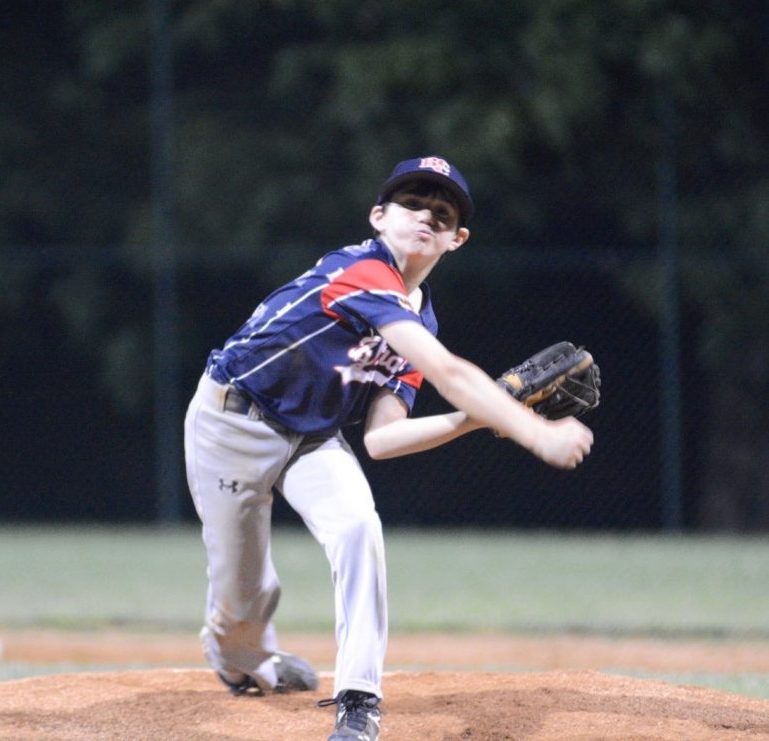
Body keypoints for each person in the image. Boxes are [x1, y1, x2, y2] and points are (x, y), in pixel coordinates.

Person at [184, 155, 593, 741]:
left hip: (314, 436)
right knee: (244, 589)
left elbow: (380, 439)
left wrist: (480, 418)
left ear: (457, 240)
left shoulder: (420, 321)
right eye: (411, 203)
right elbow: (449, 371)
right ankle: (238, 658)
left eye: (442, 212)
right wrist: (534, 430)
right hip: (233, 424)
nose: (425, 215)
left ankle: (359, 701)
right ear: (379, 216)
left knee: (358, 528)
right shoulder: (361, 272)